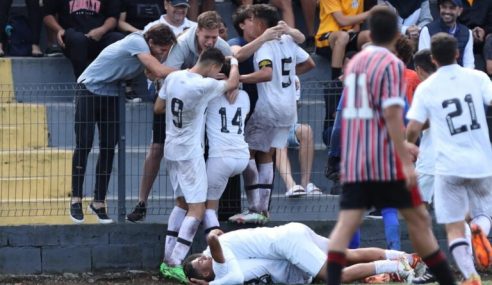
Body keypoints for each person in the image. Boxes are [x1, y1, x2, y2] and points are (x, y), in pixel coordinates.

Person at [326, 7, 456, 285]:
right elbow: (392, 113)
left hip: (355, 154)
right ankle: (445, 279)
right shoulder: (392, 65)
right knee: (417, 218)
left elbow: (345, 111)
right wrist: (404, 151)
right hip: (383, 155)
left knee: (348, 222)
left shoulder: (356, 63)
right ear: (397, 35)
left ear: (368, 34)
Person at [68, 24, 177, 224]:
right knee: (84, 144)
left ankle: (98, 202)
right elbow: (159, 71)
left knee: (109, 147)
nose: (164, 53)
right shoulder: (137, 42)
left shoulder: (147, 51)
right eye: (162, 49)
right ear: (151, 42)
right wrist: (194, 72)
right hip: (89, 89)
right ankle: (76, 199)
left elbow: (151, 75)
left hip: (111, 94)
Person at [406, 32, 492, 285]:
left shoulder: (428, 89)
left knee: (435, 221)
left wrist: (404, 146)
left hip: (443, 163)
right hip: (480, 161)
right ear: (457, 53)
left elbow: (413, 128)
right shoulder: (477, 77)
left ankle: (465, 275)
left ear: (433, 59)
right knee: (480, 215)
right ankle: (480, 232)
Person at [154, 48, 240, 283]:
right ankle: (174, 263)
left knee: (181, 203)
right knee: (197, 208)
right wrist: (233, 62)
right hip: (190, 153)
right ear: (213, 67)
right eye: (217, 70)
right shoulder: (204, 86)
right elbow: (232, 83)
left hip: (171, 149)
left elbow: (158, 108)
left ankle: (166, 259)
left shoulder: (173, 77)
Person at [229, 4, 315, 224]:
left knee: (247, 152)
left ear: (259, 22)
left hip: (269, 108)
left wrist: (240, 79)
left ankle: (254, 207)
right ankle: (264, 210)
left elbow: (266, 74)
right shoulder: (287, 41)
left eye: (253, 19)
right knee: (266, 153)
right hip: (288, 109)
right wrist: (283, 77)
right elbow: (310, 63)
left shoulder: (265, 46)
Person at [183, 223, 426, 284]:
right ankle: (407, 257)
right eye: (199, 263)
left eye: (199, 257)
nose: (203, 259)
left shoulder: (218, 257)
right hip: (291, 232)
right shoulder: (223, 263)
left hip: (287, 243)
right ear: (202, 274)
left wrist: (212, 237)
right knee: (347, 254)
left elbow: (232, 274)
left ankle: (397, 267)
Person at [202, 61, 250, 237]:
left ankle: (214, 246)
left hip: (221, 157)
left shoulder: (210, 96)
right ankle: (258, 206)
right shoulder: (245, 96)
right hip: (242, 157)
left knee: (209, 208)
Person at [43, 0, 125, 78]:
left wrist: (102, 30)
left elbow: (113, 17)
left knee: (119, 39)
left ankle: (116, 84)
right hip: (72, 38)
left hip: (99, 37)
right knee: (78, 39)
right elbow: (47, 15)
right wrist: (60, 30)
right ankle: (82, 86)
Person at [276, 76, 322, 197]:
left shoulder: (294, 79)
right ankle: (290, 185)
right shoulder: (266, 75)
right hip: (271, 126)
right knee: (280, 139)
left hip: (289, 124)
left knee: (306, 130)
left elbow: (294, 104)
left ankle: (306, 183)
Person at [315, 0, 380, 81]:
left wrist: (353, 31)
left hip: (348, 35)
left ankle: (372, 76)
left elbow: (357, 25)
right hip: (326, 38)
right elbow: (342, 21)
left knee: (370, 36)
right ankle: (335, 81)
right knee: (343, 36)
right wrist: (369, 13)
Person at [418, 0, 474, 69]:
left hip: (460, 77)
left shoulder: (467, 32)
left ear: (460, 11)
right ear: (440, 8)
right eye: (444, 7)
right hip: (435, 76)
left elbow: (469, 64)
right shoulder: (427, 30)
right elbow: (425, 61)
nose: (447, 11)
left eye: (452, 8)